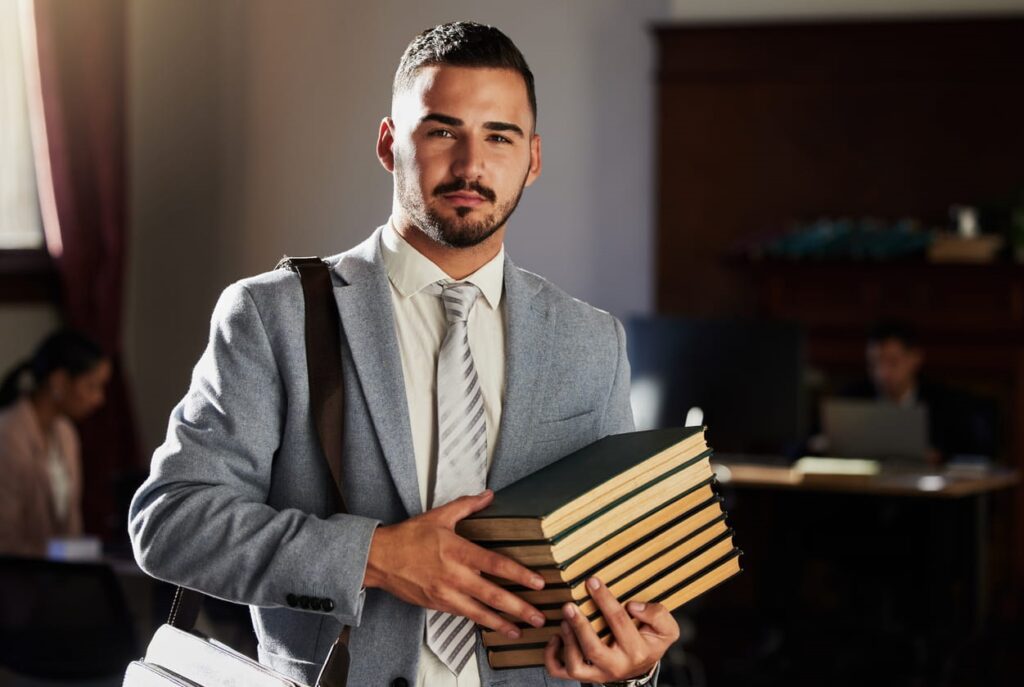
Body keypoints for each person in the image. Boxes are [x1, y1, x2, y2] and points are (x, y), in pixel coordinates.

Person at [129, 22, 674, 687]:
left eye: (498, 137)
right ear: (390, 144)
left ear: (532, 159)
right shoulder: (274, 314)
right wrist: (373, 556)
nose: (472, 164)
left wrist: (630, 666)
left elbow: (612, 578)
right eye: (442, 131)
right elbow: (171, 521)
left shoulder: (594, 341)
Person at [0, 329, 111, 556]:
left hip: (57, 579)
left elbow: (71, 527)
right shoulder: (8, 436)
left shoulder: (65, 433)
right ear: (59, 381)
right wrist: (66, 553)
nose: (100, 399)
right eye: (91, 386)